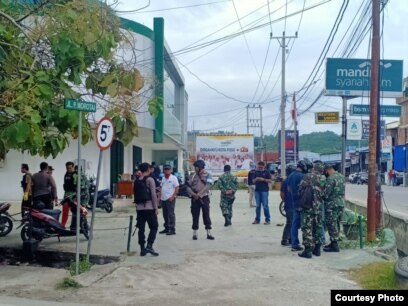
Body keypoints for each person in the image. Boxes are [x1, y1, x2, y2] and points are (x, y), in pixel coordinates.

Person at [297, 162, 325, 259]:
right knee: (318, 226)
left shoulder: (308, 176)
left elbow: (300, 188)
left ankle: (308, 250)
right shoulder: (323, 178)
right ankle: (317, 249)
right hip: (318, 206)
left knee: (307, 227)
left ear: (314, 168)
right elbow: (325, 193)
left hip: (308, 206)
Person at [134, 162, 160, 256]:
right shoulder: (150, 179)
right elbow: (153, 194)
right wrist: (156, 207)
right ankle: (149, 245)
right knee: (154, 227)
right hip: (149, 208)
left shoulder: (137, 180)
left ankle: (142, 248)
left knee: (141, 229)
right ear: (148, 169)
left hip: (139, 209)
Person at [286, 159, 311, 252]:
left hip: (294, 203)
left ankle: (294, 244)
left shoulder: (291, 175)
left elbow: (288, 189)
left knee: (294, 225)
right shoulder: (303, 176)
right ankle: (307, 244)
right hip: (303, 204)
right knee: (306, 225)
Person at [186, 159, 214, 240]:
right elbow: (188, 186)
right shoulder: (192, 175)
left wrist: (200, 194)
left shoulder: (208, 175)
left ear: (201, 167)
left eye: (196, 167)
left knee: (206, 215)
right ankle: (195, 233)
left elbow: (208, 186)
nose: (195, 168)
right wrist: (193, 194)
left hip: (204, 198)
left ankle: (209, 232)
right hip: (194, 198)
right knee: (195, 215)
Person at [322, 163, 345, 253]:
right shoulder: (341, 177)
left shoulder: (331, 179)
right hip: (340, 203)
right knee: (337, 223)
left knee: (331, 224)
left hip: (332, 204)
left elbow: (326, 194)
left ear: (327, 170)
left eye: (325, 172)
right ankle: (334, 241)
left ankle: (334, 244)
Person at [158, 165, 179, 235]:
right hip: (163, 199)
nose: (166, 170)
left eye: (168, 169)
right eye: (165, 169)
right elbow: (161, 187)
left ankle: (172, 229)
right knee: (165, 214)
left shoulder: (173, 178)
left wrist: (173, 196)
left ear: (171, 170)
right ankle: (167, 228)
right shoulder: (163, 178)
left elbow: (177, 188)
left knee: (171, 214)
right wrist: (159, 198)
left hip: (170, 199)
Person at [280, 164, 296, 246]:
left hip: (291, 204)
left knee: (292, 223)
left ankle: (290, 238)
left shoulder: (286, 181)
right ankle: (284, 239)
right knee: (290, 223)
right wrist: (286, 201)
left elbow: (282, 195)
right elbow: (282, 194)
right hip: (290, 205)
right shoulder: (286, 181)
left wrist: (285, 200)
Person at [62, 161, 77, 227]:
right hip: (66, 195)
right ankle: (62, 225)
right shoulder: (66, 174)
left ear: (73, 167)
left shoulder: (76, 174)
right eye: (67, 168)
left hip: (74, 195)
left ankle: (74, 226)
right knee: (65, 212)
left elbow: (78, 186)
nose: (68, 169)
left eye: (70, 168)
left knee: (75, 212)